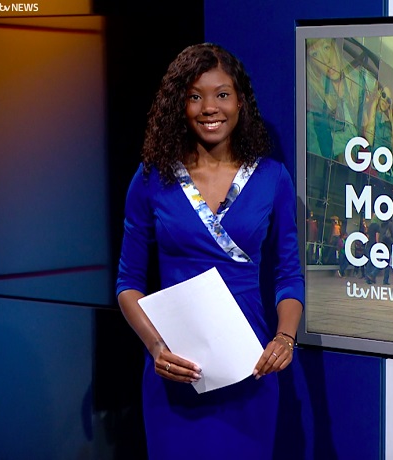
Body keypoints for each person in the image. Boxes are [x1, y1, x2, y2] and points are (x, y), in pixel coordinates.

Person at [115, 43, 304, 459]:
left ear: (240, 101)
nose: (209, 108)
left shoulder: (273, 178)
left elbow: (288, 275)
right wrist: (157, 348)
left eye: (222, 94)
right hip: (175, 370)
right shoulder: (151, 178)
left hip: (251, 368)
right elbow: (128, 283)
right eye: (195, 96)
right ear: (179, 105)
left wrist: (285, 339)